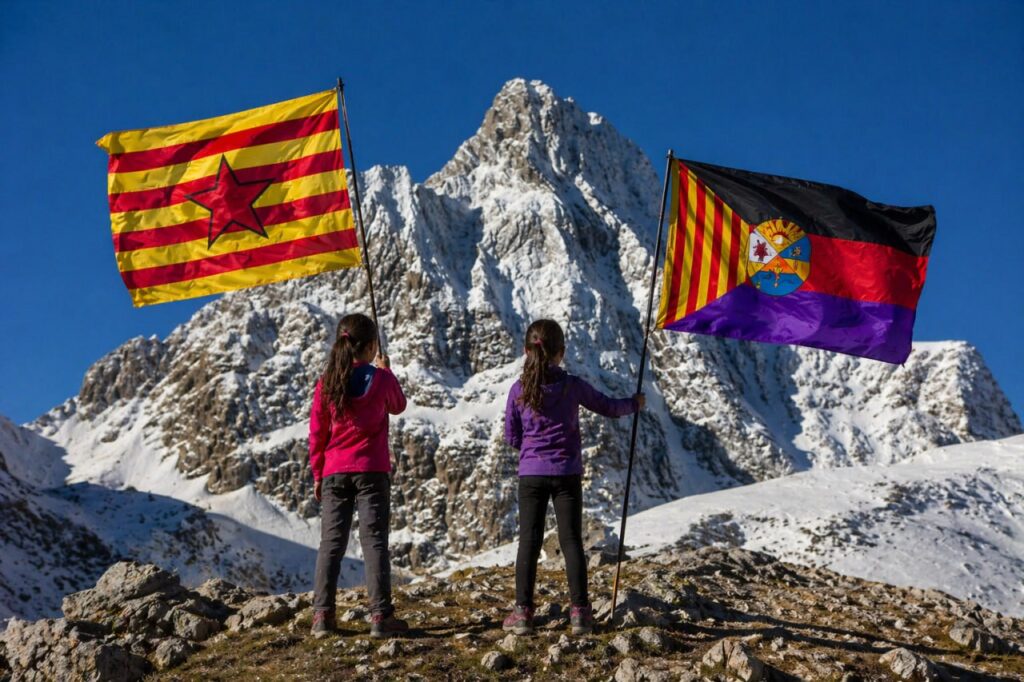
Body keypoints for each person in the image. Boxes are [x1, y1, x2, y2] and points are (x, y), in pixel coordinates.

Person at [502, 319, 644, 636]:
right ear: (561, 353)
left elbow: (511, 436)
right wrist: (634, 404)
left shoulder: (518, 389)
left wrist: (531, 449)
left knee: (529, 541)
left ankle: (522, 613)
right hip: (567, 473)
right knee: (571, 541)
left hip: (531, 475)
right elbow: (608, 407)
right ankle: (580, 613)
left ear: (525, 351)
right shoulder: (572, 386)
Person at [309, 313, 408, 639]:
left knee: (331, 544)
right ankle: (380, 617)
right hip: (372, 471)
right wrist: (386, 370)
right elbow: (398, 405)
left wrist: (318, 473)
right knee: (374, 542)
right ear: (370, 347)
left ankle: (323, 616)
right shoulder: (379, 379)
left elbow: (317, 433)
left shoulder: (327, 383)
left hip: (334, 472)